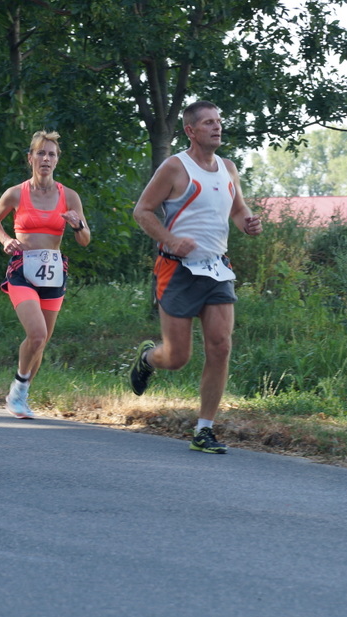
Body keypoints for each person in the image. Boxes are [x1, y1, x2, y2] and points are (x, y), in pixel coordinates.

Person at [128, 101, 263, 453]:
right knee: (177, 358)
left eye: (219, 121)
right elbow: (141, 211)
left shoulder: (228, 168)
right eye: (208, 123)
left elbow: (237, 208)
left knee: (221, 345)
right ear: (190, 130)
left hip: (217, 268)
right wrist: (170, 239)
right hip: (177, 270)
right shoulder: (175, 167)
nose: (217, 127)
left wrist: (247, 221)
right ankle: (147, 359)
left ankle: (204, 429)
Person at [0, 130, 90, 419]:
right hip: (22, 270)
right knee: (37, 333)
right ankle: (18, 389)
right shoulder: (16, 193)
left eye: (52, 154)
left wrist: (78, 225)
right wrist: (6, 240)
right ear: (30, 158)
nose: (46, 158)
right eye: (41, 153)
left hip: (54, 272)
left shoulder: (68, 195)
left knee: (40, 341)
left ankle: (22, 393)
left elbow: (85, 240)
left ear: (57, 160)